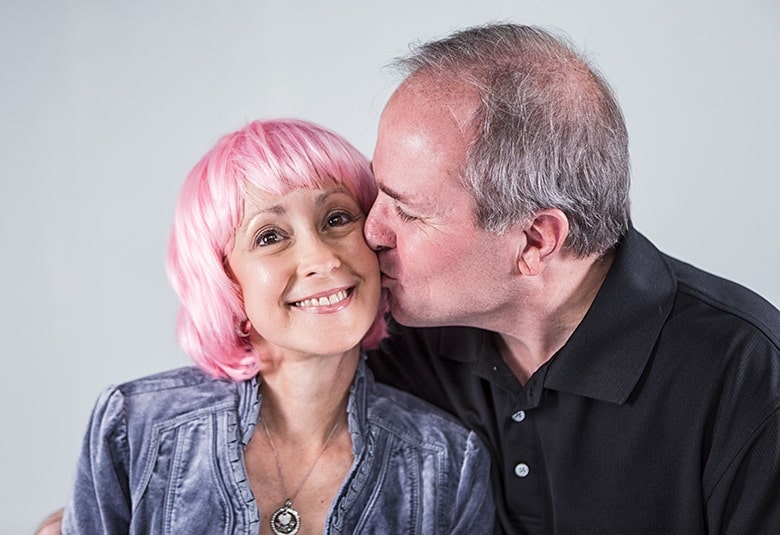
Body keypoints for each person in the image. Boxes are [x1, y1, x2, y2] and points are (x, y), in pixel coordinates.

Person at [364, 23, 780, 534]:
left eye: (407, 212)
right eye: (376, 190)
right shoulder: (397, 331)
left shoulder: (748, 376)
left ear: (536, 241)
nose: (371, 230)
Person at [60, 118, 494, 534]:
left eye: (338, 218)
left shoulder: (449, 462)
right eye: (269, 236)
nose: (322, 259)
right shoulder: (133, 426)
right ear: (225, 278)